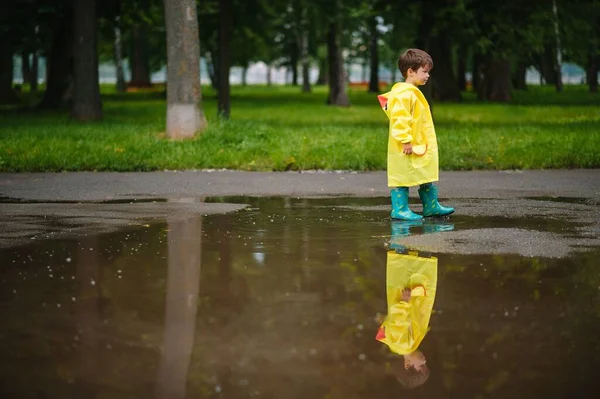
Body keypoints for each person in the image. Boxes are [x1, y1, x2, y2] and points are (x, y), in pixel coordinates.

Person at [378, 48, 454, 221]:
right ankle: (400, 209)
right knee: (402, 175)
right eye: (424, 72)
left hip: (417, 143)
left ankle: (431, 206)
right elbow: (400, 119)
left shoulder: (411, 93)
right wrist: (405, 140)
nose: (428, 75)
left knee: (424, 172)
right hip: (407, 145)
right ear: (410, 72)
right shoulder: (404, 95)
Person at [375, 250, 438, 389]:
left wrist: (404, 303)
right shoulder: (410, 344)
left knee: (403, 258)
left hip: (406, 292)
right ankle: (424, 235)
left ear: (407, 364)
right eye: (425, 364)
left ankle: (404, 231)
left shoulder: (402, 345)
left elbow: (397, 321)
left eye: (421, 365)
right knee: (416, 259)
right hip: (413, 291)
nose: (424, 360)